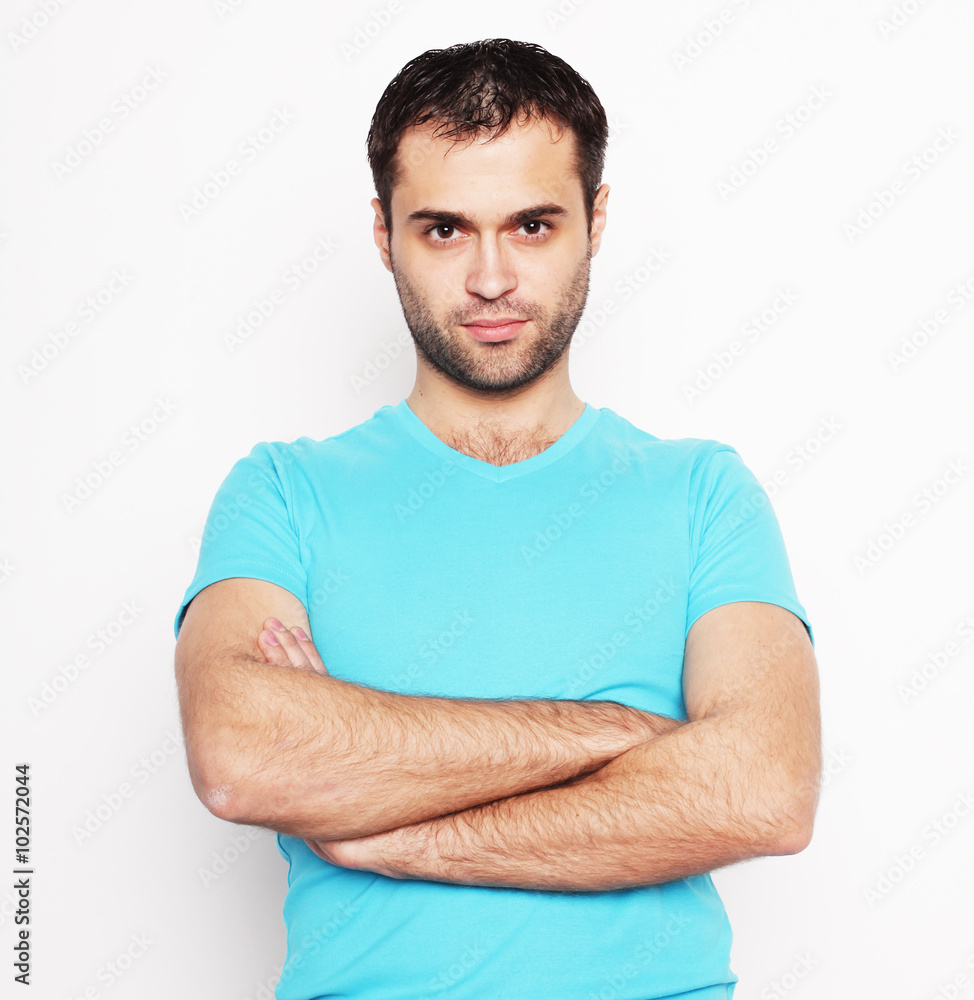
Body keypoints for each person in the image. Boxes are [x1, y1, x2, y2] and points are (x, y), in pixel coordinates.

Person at [173, 37, 821, 1000]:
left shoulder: (703, 492)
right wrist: (616, 733)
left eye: (532, 225)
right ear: (383, 232)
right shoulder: (281, 492)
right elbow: (241, 757)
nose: (489, 279)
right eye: (444, 229)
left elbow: (764, 789)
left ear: (595, 221)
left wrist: (388, 829)